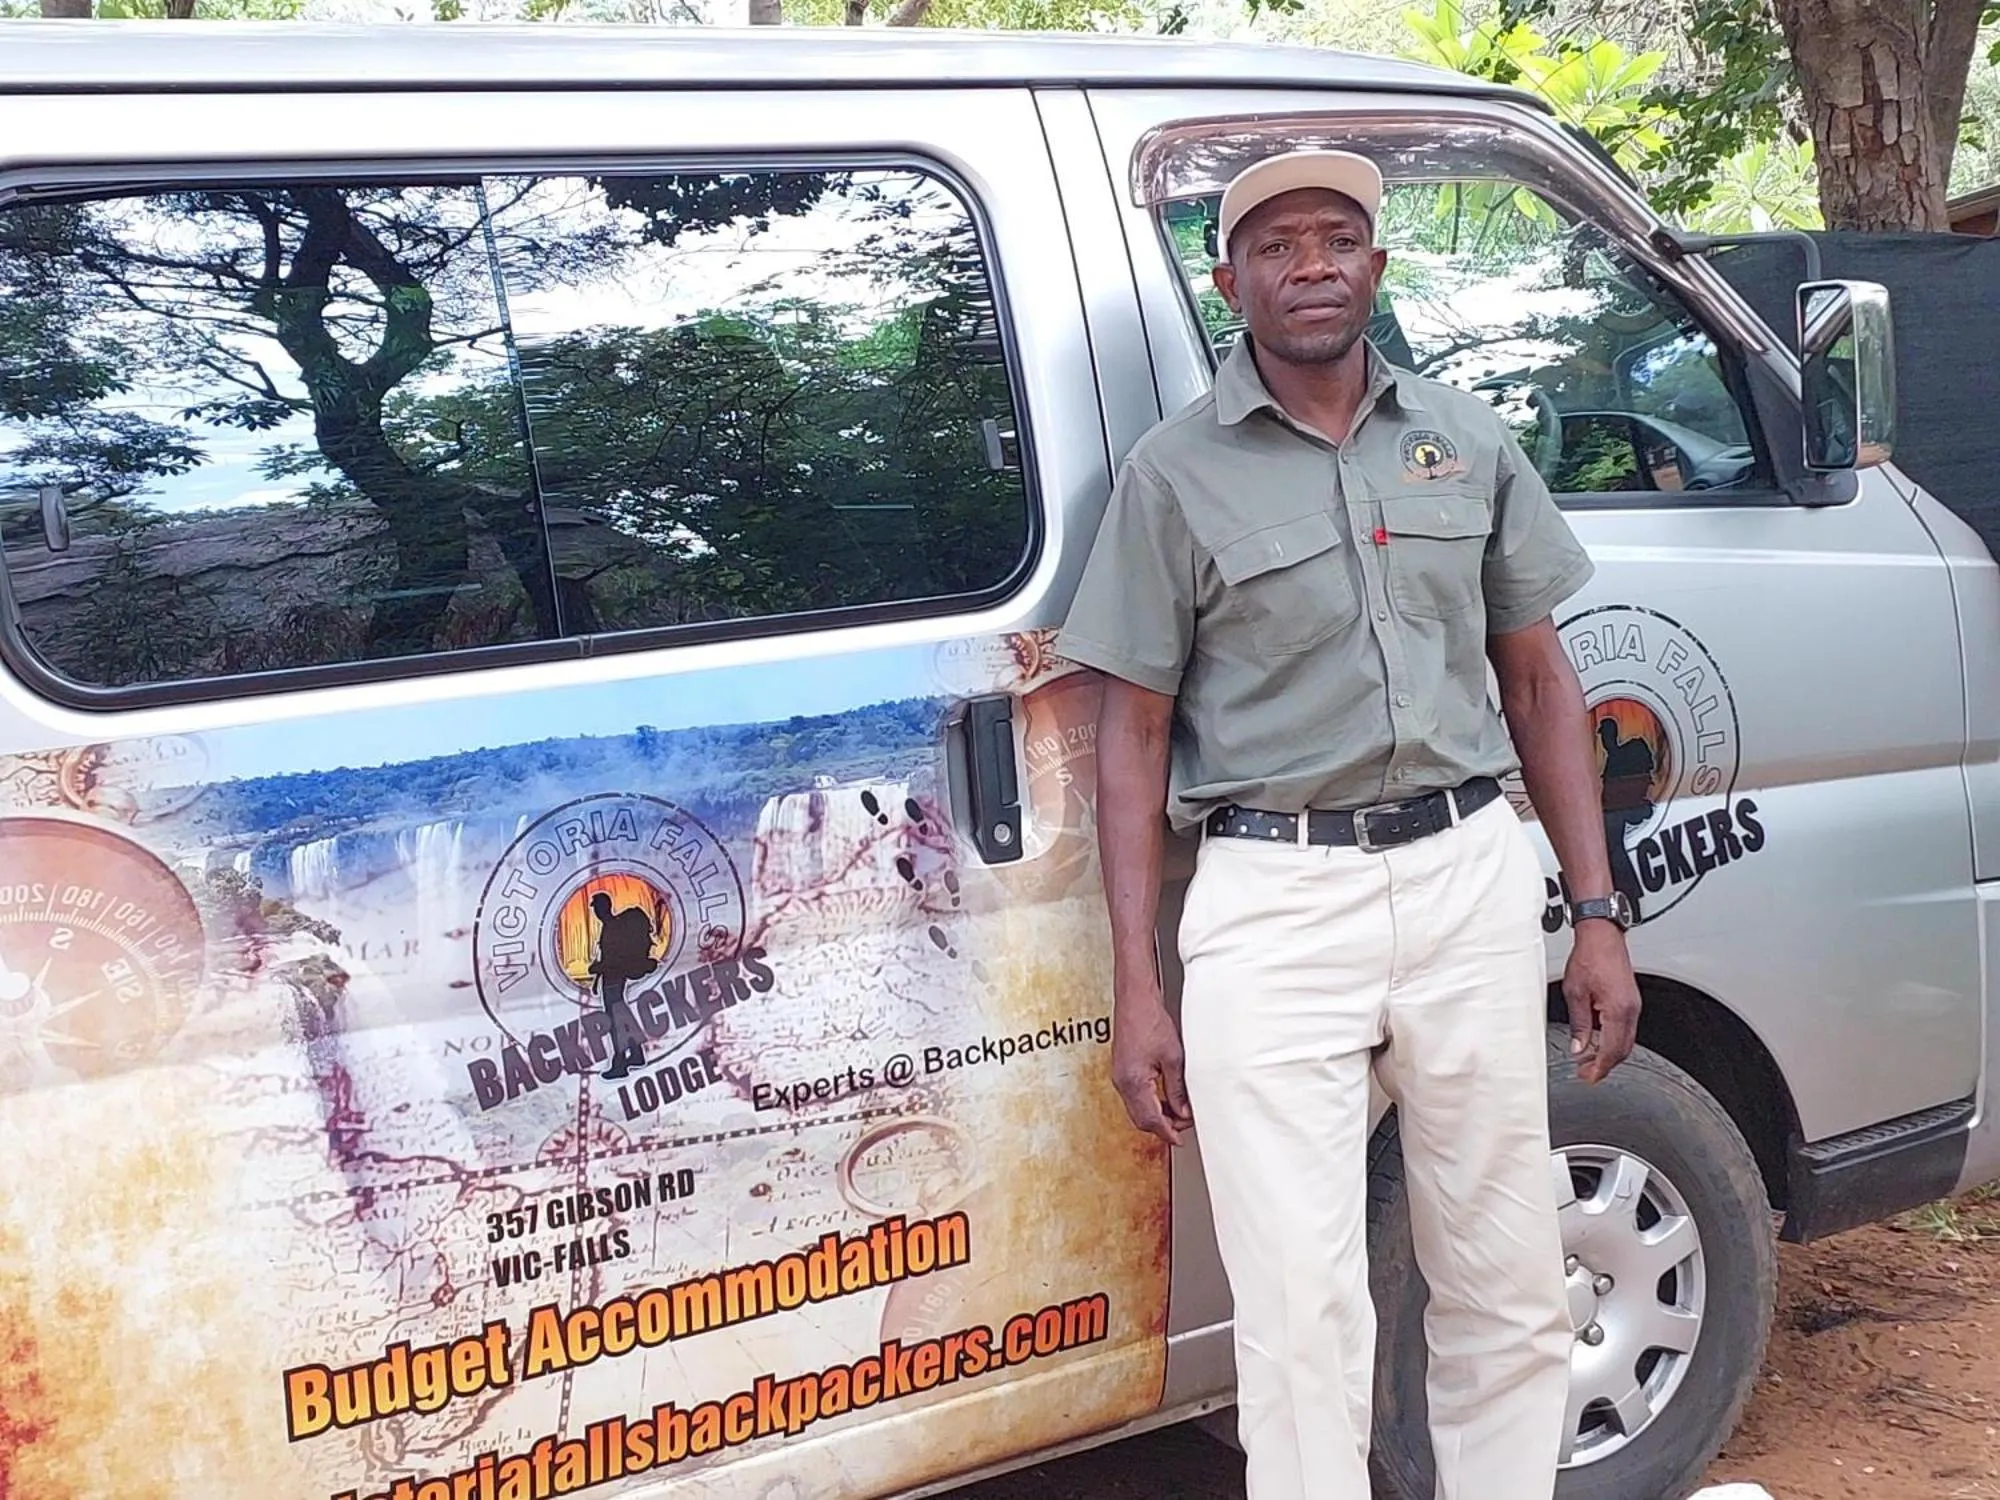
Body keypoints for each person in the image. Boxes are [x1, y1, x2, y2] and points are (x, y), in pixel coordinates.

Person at [1056, 148, 1643, 1500]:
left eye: (1336, 239)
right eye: (1276, 245)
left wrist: (1595, 914)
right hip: (1273, 899)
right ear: (1230, 283)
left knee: (1504, 1271)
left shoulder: (1464, 440)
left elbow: (1543, 680)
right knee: (1302, 1312)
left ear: (1376, 268)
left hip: (1465, 876)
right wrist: (1137, 986)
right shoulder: (1172, 476)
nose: (1309, 263)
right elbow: (1129, 734)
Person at [588, 890, 657, 1081]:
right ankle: (636, 1054)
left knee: (616, 1022)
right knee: (623, 1017)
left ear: (604, 907)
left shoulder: (612, 929)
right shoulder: (610, 927)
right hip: (612, 979)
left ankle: (619, 1063)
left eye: (597, 908)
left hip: (613, 980)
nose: (596, 912)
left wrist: (598, 967)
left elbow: (614, 959)